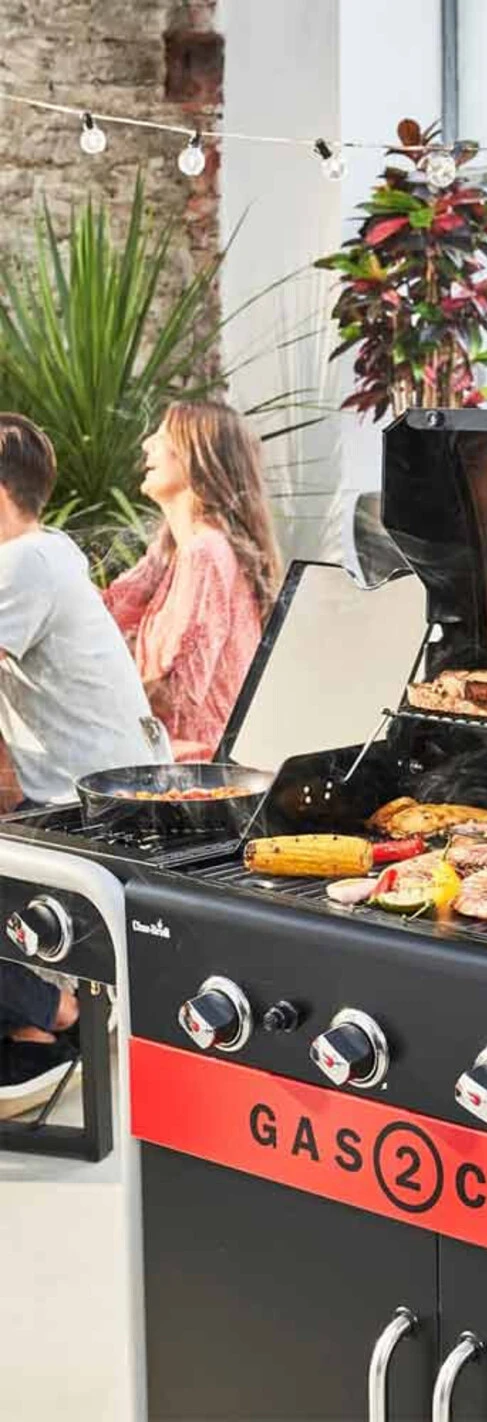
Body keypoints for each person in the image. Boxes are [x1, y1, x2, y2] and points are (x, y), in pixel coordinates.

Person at [0, 413, 160, 1106]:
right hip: (102, 790)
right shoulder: (51, 550)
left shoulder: (24, 562)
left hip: (85, 805)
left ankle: (59, 1015)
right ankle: (34, 1028)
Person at [104, 401, 282, 761]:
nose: (147, 445)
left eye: (162, 436)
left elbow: (180, 695)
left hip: (198, 772)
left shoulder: (207, 553)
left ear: (197, 456)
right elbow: (102, 613)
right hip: (176, 763)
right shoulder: (174, 554)